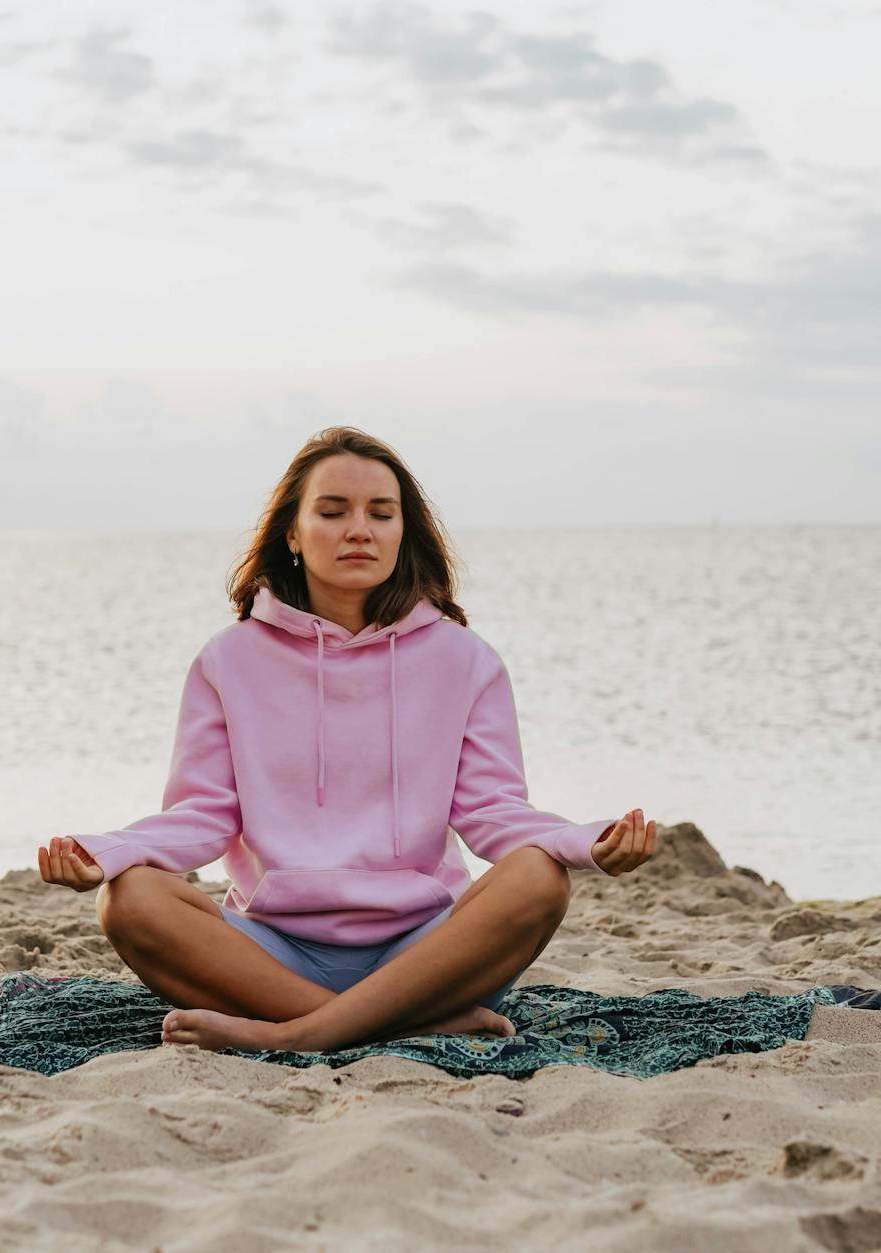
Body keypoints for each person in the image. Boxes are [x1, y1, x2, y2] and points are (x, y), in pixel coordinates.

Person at [38, 426, 658, 1055]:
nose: (358, 529)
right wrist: (108, 851)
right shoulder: (228, 661)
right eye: (332, 512)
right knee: (130, 899)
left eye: (380, 514)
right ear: (293, 532)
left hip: (427, 953)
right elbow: (203, 816)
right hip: (273, 952)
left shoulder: (465, 661)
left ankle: (303, 1034)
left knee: (539, 878)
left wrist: (583, 842)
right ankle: (395, 1025)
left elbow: (491, 811)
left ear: (401, 534)